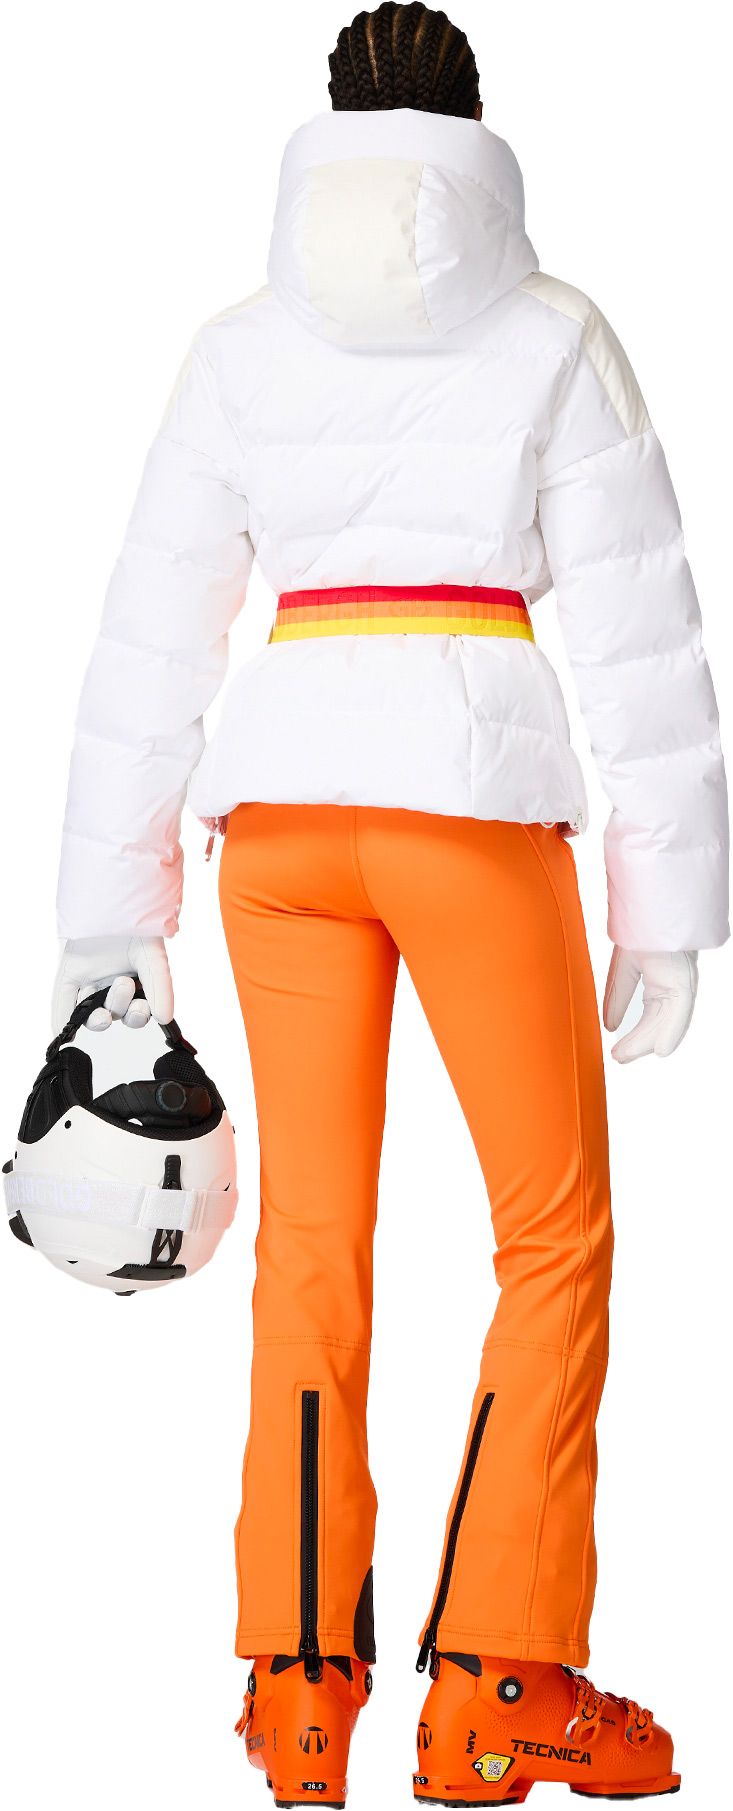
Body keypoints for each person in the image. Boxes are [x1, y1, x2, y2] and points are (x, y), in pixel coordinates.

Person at [53, 5, 728, 1804]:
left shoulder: (238, 344)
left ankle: (296, 1691)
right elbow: (639, 630)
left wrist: (108, 918)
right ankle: (499, 1685)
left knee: (310, 1247)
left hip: (275, 822)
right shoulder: (554, 329)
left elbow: (152, 628)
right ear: (477, 142)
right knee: (550, 1239)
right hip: (469, 806)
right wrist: (667, 909)